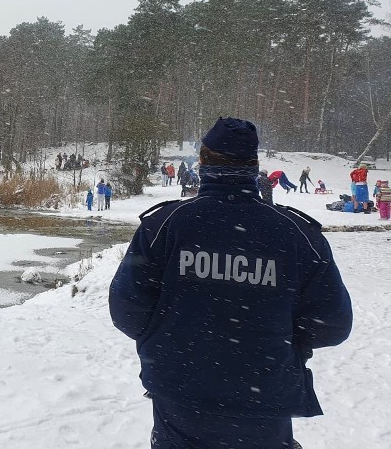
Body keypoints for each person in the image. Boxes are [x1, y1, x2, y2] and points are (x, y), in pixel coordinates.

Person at [109, 117, 352, 449]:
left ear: (203, 161)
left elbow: (127, 310)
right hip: (264, 393)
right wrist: (279, 344)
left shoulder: (164, 225)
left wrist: (172, 342)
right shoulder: (297, 234)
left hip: (181, 392)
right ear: (254, 166)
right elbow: (332, 324)